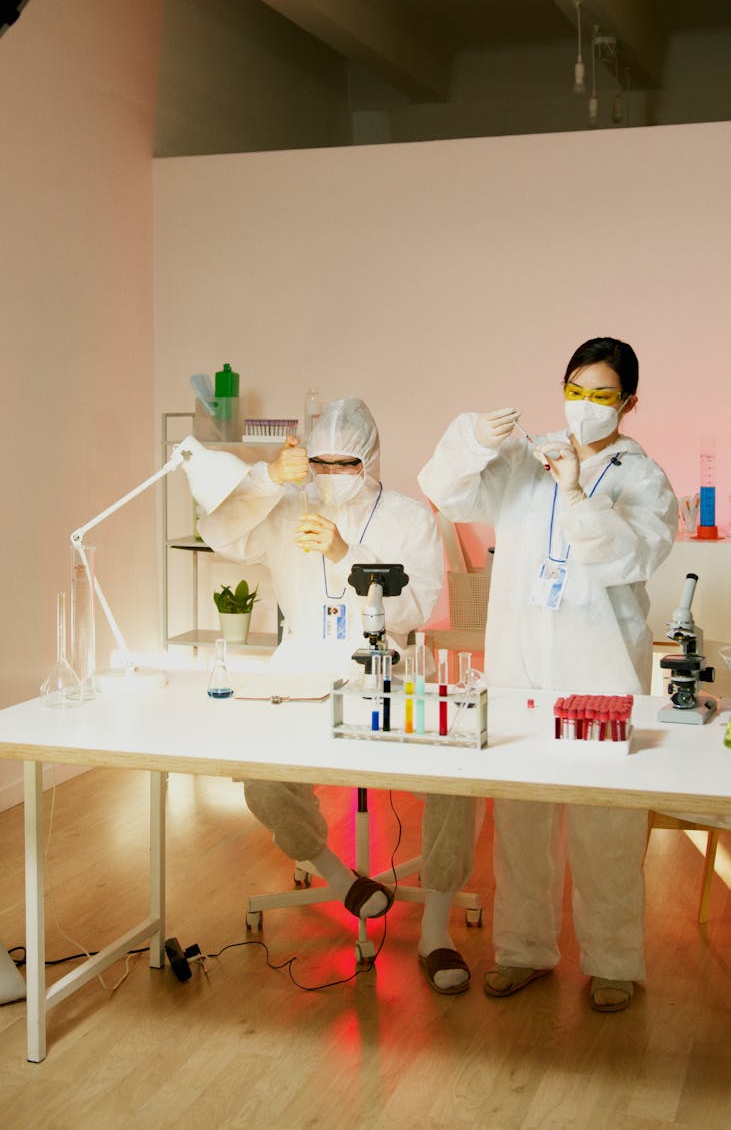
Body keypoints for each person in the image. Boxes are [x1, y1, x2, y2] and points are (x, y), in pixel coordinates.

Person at [418, 337, 678, 1012]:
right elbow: (444, 493)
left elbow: (630, 557)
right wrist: (471, 439)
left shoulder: (641, 478)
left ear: (628, 403)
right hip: (519, 661)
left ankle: (613, 961)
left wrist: (575, 494)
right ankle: (522, 950)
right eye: (575, 389)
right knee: (520, 817)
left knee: (605, 825)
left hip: (599, 667)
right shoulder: (524, 462)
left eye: (600, 395)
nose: (584, 406)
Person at [199, 396, 478, 993]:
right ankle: (338, 874)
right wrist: (267, 478)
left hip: (389, 665)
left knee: (455, 766)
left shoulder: (408, 516)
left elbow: (417, 605)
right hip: (302, 662)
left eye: (345, 463)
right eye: (320, 462)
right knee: (261, 772)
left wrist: (342, 552)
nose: (330, 475)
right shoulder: (285, 504)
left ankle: (436, 926)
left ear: (371, 459)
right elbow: (218, 532)